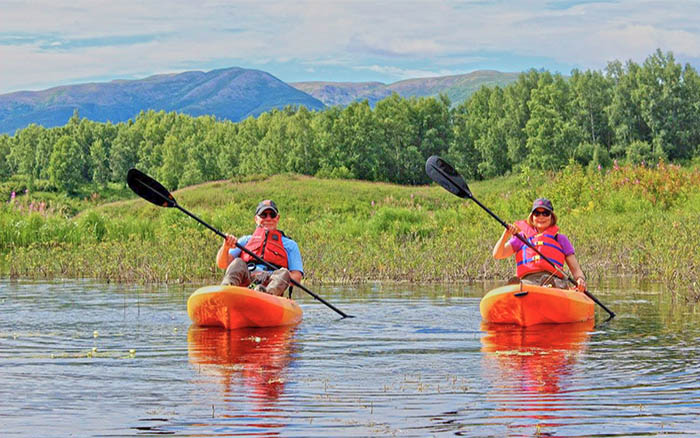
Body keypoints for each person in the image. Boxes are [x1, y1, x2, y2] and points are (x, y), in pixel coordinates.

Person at [492, 198, 586, 291]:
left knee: (549, 283)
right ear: (532, 217)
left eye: (545, 213)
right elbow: (497, 255)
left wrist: (580, 279)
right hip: (528, 281)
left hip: (554, 281)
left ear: (551, 217)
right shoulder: (521, 237)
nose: (541, 217)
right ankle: (517, 289)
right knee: (520, 285)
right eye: (537, 213)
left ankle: (547, 288)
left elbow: (576, 269)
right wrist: (505, 235)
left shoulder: (561, 239)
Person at [217, 200, 304, 296]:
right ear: (256, 219)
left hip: (272, 283)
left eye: (272, 215)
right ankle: (225, 291)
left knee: (284, 273)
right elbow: (222, 264)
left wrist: (270, 275)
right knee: (238, 262)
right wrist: (225, 247)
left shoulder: (290, 245)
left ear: (277, 218)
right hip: (248, 279)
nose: (268, 218)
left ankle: (266, 295)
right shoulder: (245, 240)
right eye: (263, 215)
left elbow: (297, 277)